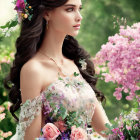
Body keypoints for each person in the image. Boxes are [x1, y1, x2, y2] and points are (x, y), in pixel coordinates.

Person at [4, 0, 112, 139]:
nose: (79, 16)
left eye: (80, 9)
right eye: (70, 9)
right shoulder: (33, 70)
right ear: (47, 13)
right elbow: (31, 137)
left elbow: (108, 131)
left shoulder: (76, 64)